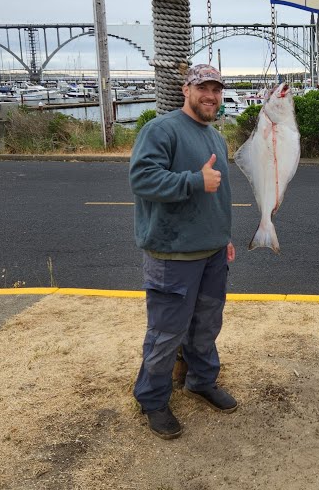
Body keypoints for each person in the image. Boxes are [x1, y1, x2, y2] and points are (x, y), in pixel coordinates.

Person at [128, 63, 239, 440]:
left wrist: (223, 236)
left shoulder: (215, 138)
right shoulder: (161, 130)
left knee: (207, 325)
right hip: (172, 256)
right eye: (203, 88)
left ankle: (201, 380)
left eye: (216, 90)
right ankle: (153, 399)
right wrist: (195, 180)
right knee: (166, 333)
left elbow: (218, 196)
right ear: (185, 90)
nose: (211, 96)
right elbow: (141, 178)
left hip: (211, 253)